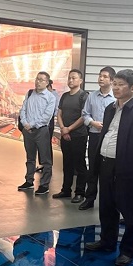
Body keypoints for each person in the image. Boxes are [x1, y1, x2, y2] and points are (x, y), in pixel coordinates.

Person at [84, 69, 133, 266]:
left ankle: (128, 250)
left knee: (129, 210)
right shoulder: (110, 108)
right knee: (106, 205)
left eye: (120, 84)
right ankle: (107, 241)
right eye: (114, 84)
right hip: (106, 162)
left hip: (128, 168)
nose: (115, 88)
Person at [78, 66, 116, 210]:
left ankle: (108, 201)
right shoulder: (92, 96)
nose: (101, 78)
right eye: (100, 75)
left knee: (108, 171)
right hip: (94, 135)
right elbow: (85, 114)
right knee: (93, 168)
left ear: (112, 80)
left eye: (105, 76)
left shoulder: (116, 97)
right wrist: (92, 122)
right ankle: (89, 199)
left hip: (110, 137)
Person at [52, 69, 89, 203]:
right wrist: (63, 129)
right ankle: (66, 190)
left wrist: (69, 129)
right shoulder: (65, 96)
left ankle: (80, 192)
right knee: (67, 163)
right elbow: (59, 113)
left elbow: (84, 116)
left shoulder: (84, 96)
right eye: (69, 78)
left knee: (79, 165)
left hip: (78, 135)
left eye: (74, 78)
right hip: (65, 134)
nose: (71, 80)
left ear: (80, 81)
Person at [17, 72, 56, 195]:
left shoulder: (51, 97)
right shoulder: (29, 93)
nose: (38, 82)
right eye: (37, 79)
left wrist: (32, 124)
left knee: (45, 160)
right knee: (30, 157)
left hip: (41, 131)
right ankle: (29, 181)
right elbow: (23, 110)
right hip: (28, 131)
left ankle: (44, 185)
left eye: (41, 80)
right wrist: (25, 123)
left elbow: (46, 116)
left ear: (47, 82)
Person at [35, 79, 60, 173]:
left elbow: (56, 110)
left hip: (48, 121)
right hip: (40, 121)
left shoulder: (54, 95)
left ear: (47, 84)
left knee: (46, 143)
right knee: (40, 143)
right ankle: (42, 163)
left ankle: (47, 165)